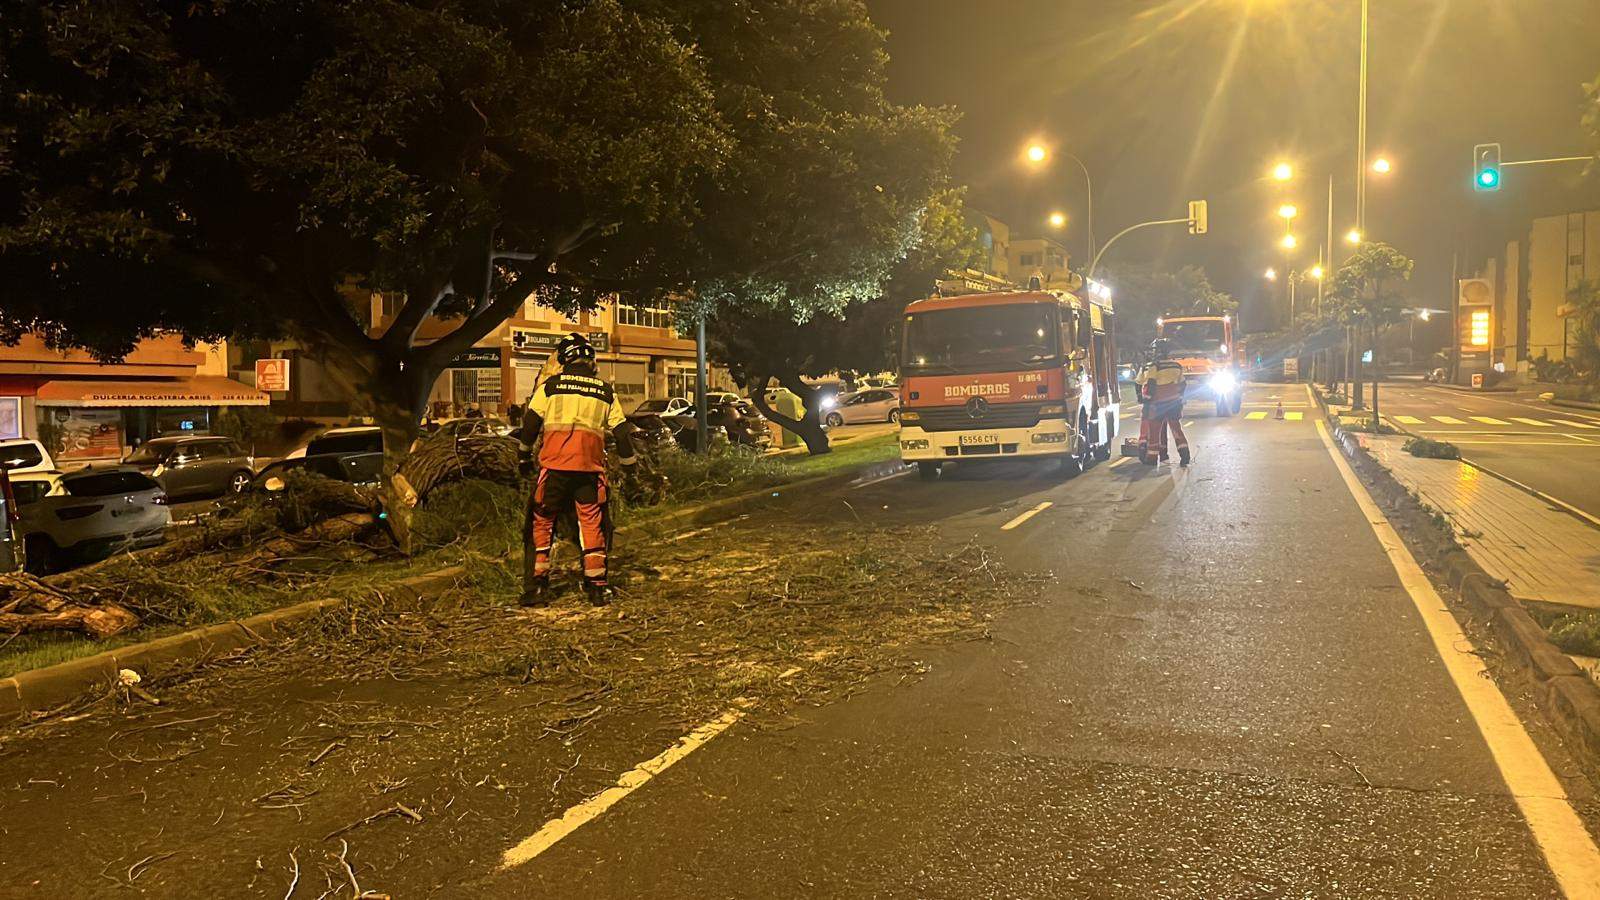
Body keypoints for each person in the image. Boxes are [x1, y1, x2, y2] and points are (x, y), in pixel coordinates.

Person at [516, 334, 639, 607]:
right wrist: (631, 471)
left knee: (542, 524)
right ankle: (597, 588)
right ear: (591, 361)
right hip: (589, 472)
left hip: (554, 470)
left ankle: (537, 588)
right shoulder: (605, 391)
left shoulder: (549, 387)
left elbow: (530, 424)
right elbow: (622, 435)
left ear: (563, 360)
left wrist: (523, 458)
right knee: (592, 526)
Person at [1136, 338, 1190, 467]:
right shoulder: (1176, 366)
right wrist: (1180, 398)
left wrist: (1146, 399)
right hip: (1174, 403)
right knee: (1177, 429)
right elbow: (1182, 384)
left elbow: (1151, 383)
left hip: (1158, 403)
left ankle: (1152, 458)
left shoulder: (1154, 366)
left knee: (1154, 431)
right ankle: (1185, 454)